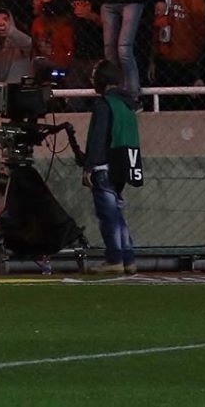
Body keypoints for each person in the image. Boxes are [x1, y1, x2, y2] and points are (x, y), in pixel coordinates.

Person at [77, 59, 143, 274]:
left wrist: (89, 166)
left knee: (108, 216)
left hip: (103, 165)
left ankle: (114, 258)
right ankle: (128, 258)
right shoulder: (127, 104)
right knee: (117, 213)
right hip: (122, 164)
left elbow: (98, 138)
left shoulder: (104, 104)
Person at [0, 8, 36, 82]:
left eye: (5, 19)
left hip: (20, 88)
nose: (1, 23)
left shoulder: (20, 47)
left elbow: (30, 44)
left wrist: (9, 30)